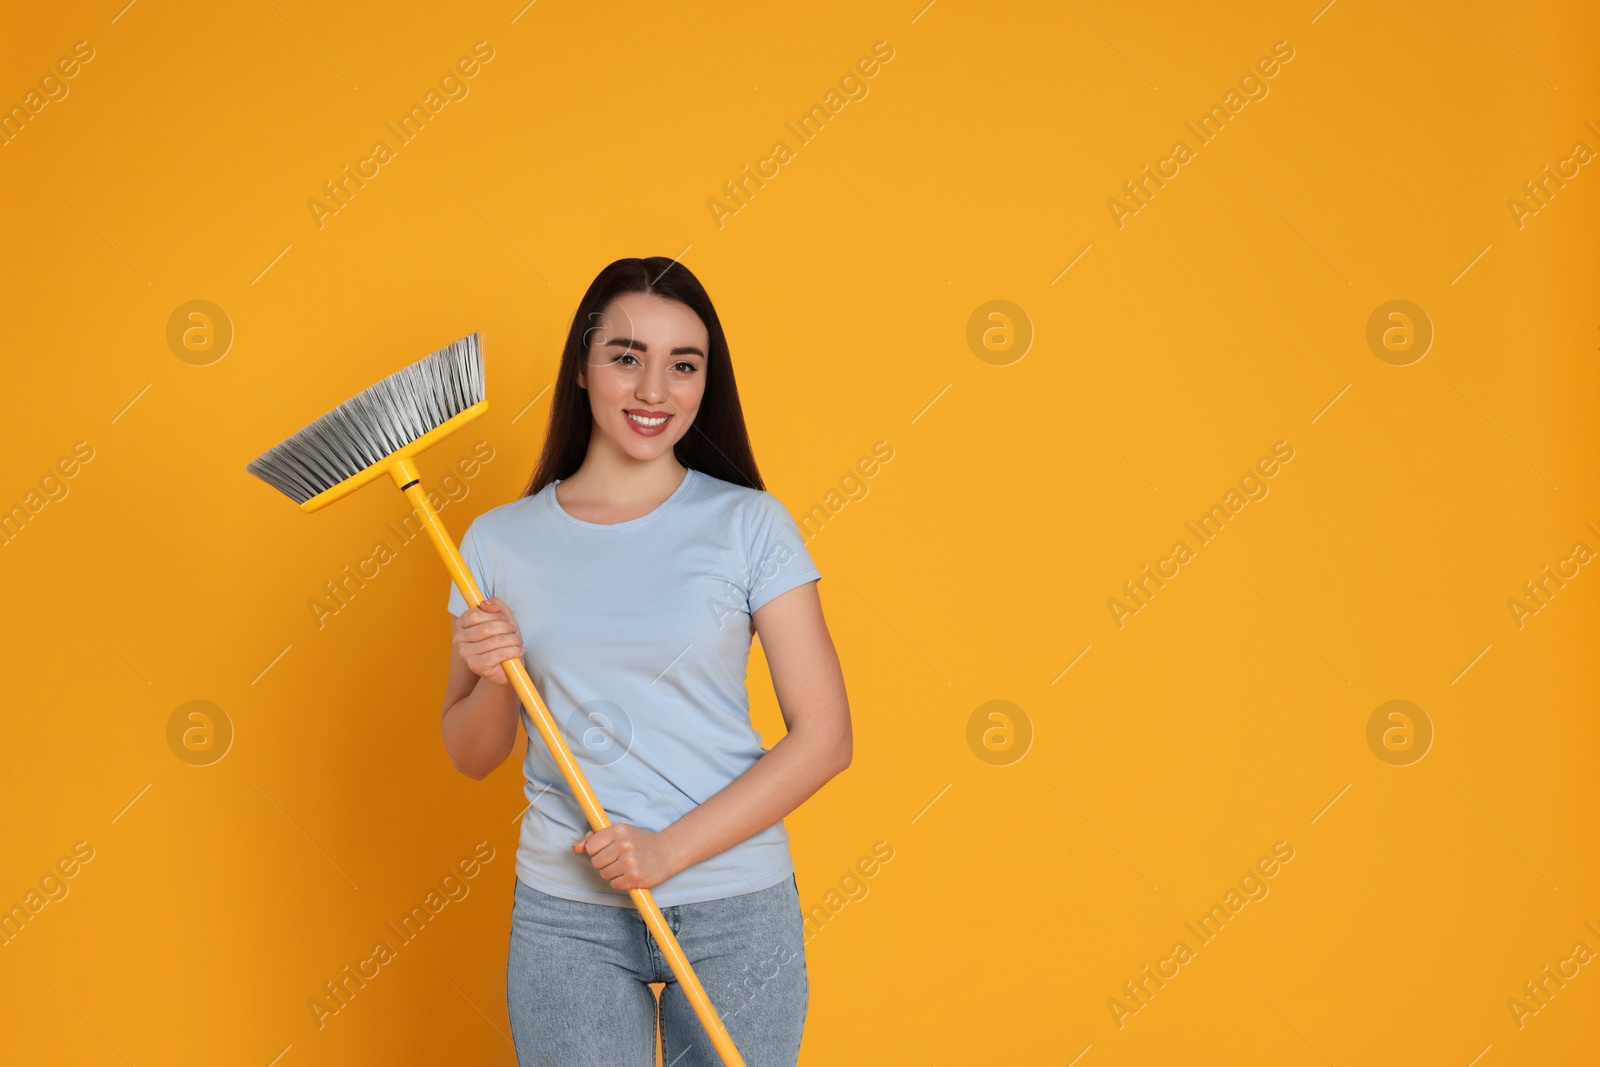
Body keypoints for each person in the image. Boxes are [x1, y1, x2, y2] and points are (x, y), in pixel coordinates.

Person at [439, 256, 852, 1066]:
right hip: (570, 913)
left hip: (736, 904)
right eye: (627, 356)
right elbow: (472, 755)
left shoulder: (750, 525)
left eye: (683, 364)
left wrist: (668, 850)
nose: (654, 389)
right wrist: (493, 676)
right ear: (584, 369)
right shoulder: (498, 539)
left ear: (705, 381)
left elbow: (826, 737)